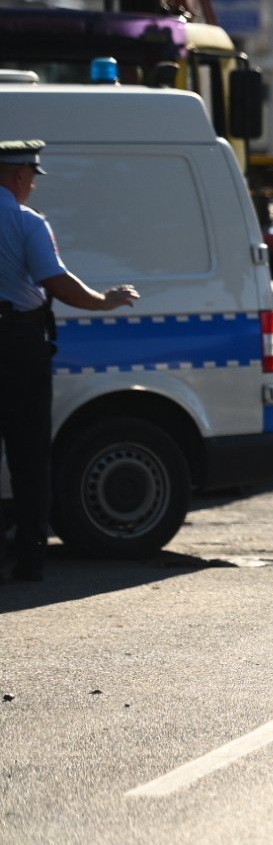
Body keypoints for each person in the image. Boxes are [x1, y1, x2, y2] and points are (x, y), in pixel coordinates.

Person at [0, 139, 139, 583]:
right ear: (20, 175)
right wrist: (102, 301)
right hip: (18, 344)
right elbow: (54, 279)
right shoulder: (26, 222)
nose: (33, 188)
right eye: (31, 180)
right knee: (28, 454)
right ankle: (29, 559)